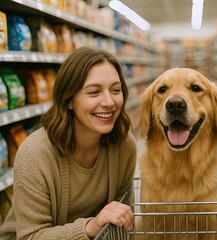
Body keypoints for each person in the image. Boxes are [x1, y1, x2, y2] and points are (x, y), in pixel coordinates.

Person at [0, 47, 137, 239]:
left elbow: (121, 221)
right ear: (69, 100)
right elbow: (30, 236)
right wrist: (90, 227)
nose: (109, 102)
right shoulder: (35, 154)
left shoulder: (124, 145)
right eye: (94, 92)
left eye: (116, 90)